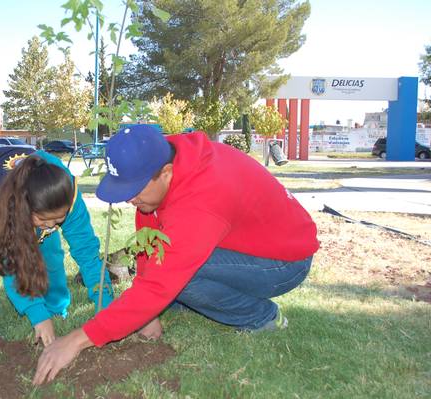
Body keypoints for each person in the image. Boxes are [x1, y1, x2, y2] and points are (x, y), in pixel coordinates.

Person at [33, 125, 319, 384]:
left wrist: (76, 340)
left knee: (181, 279)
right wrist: (147, 310)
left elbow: (159, 282)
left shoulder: (201, 199)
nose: (129, 198)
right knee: (167, 282)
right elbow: (151, 235)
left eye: (134, 190)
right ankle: (181, 303)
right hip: (244, 243)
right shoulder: (164, 158)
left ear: (166, 173)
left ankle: (262, 317)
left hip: (284, 262)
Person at [0, 146, 114, 346]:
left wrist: (106, 304)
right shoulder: (5, 206)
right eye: (44, 219)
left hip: (34, 191)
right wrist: (38, 317)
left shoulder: (69, 195)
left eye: (59, 219)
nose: (52, 225)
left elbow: (88, 254)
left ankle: (56, 309)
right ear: (25, 209)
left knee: (50, 252)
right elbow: (11, 265)